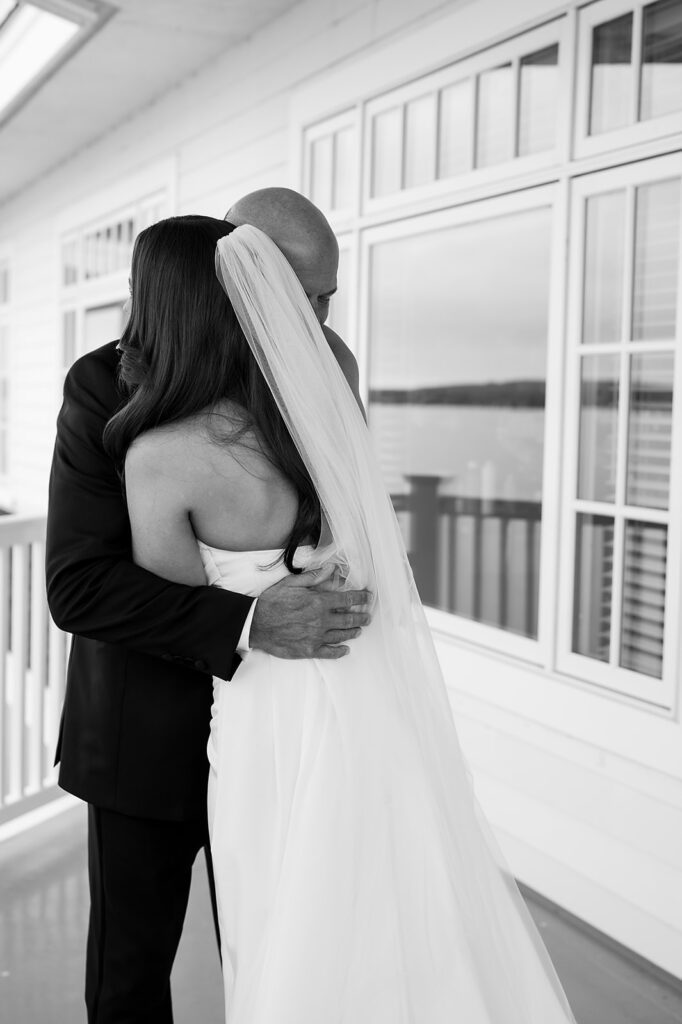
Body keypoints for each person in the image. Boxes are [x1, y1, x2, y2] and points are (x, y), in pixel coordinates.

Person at [113, 214, 578, 1023]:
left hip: (266, 707)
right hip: (362, 676)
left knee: (283, 910)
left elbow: (181, 606)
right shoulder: (328, 380)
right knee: (397, 893)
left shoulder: (159, 457)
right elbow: (361, 531)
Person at [45, 194, 371, 1023]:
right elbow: (78, 584)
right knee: (131, 975)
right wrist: (250, 622)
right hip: (141, 735)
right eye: (307, 296)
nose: (323, 318)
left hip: (286, 730)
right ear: (233, 270)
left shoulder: (320, 370)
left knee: (276, 954)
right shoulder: (98, 386)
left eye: (329, 296)